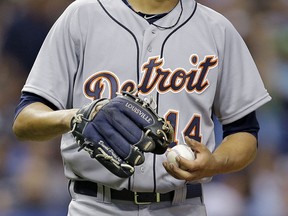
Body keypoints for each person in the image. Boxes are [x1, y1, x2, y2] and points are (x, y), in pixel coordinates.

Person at [12, 0, 271, 215]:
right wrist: (78, 117)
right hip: (95, 206)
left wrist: (214, 163)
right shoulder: (82, 16)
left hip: (182, 206)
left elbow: (245, 132)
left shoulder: (217, 30)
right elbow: (25, 120)